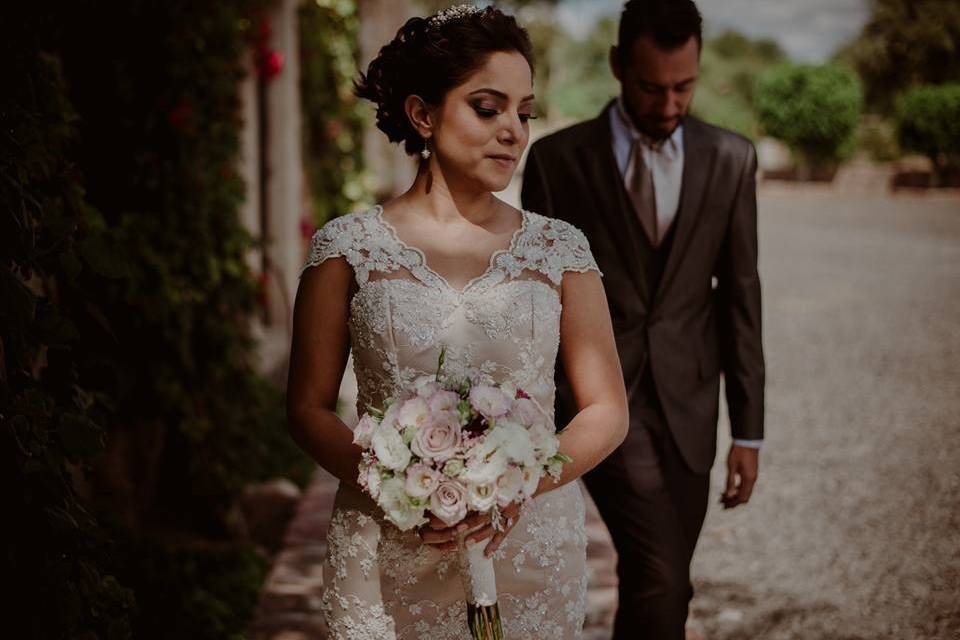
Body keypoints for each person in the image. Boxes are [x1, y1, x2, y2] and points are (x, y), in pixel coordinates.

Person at [287, 5, 629, 639]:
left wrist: (522, 485)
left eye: (524, 113)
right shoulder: (348, 249)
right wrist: (395, 487)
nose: (513, 131)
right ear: (423, 114)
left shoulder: (560, 250)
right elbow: (306, 408)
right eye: (487, 107)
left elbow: (607, 409)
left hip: (527, 549)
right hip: (383, 549)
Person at [521, 1, 765, 638]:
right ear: (616, 66)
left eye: (684, 86)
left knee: (660, 579)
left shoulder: (732, 159)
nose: (668, 104)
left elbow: (741, 295)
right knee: (661, 571)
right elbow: (535, 303)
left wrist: (750, 431)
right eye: (651, 87)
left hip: (691, 402)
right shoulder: (558, 161)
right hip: (599, 399)